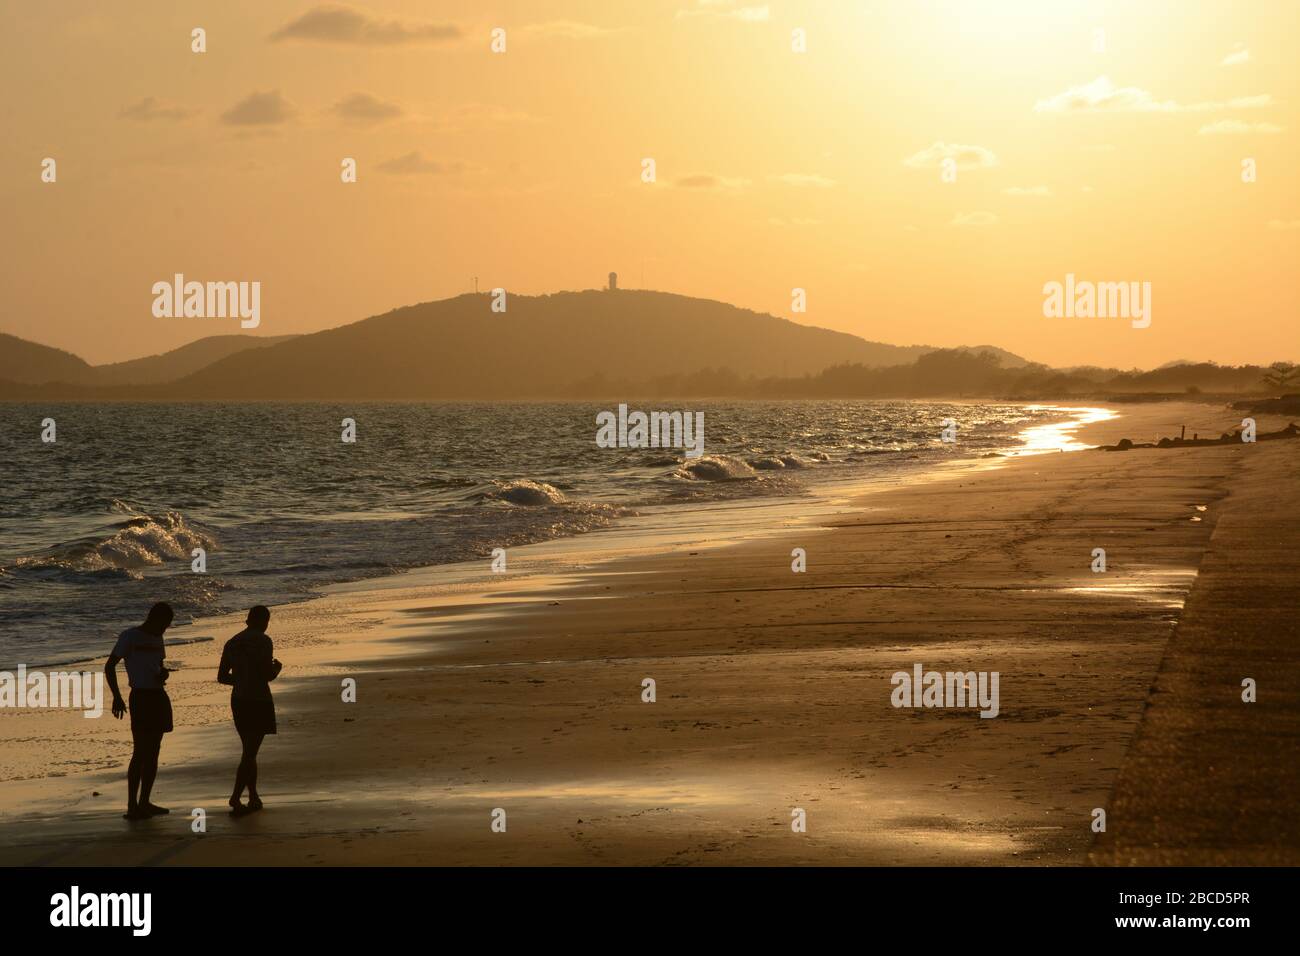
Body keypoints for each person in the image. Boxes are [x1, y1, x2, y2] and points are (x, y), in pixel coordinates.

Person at [105, 602, 175, 821]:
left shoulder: (158, 638)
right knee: (141, 751)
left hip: (158, 694)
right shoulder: (130, 636)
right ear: (154, 619)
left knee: (154, 750)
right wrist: (116, 696)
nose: (164, 629)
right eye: (164, 624)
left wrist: (163, 674)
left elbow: (158, 667)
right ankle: (132, 805)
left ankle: (145, 801)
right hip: (141, 696)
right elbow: (109, 665)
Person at [218, 606, 282, 816]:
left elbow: (222, 677)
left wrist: (242, 679)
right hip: (258, 699)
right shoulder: (264, 641)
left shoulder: (232, 642)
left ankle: (253, 796)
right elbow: (266, 675)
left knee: (249, 749)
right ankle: (236, 797)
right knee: (250, 752)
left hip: (238, 700)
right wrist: (276, 669)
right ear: (264, 621)